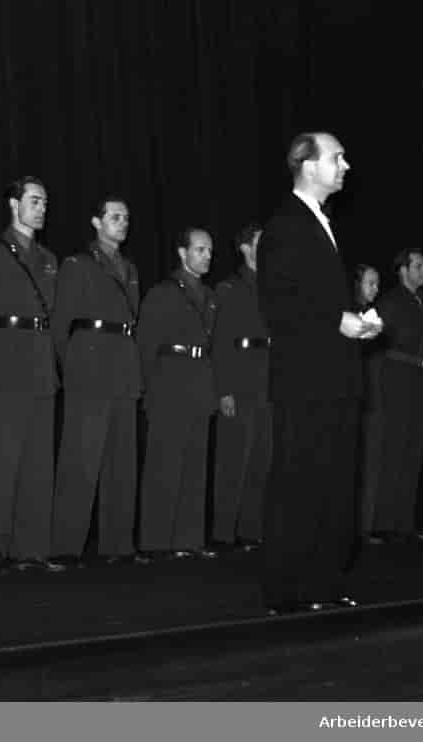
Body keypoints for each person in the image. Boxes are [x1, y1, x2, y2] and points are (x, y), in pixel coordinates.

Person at [257, 131, 379, 615]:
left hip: (331, 377)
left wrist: (354, 324)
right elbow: (279, 301)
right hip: (306, 380)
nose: (346, 165)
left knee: (330, 481)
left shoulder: (319, 223)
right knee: (301, 479)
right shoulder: (287, 224)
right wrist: (337, 320)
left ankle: (322, 584)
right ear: (308, 166)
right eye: (337, 158)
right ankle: (288, 589)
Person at [0, 176, 65, 575]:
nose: (41, 208)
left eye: (44, 202)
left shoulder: (49, 258)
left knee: (37, 463)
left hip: (40, 363)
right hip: (4, 362)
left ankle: (32, 547)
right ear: (13, 204)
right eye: (34, 200)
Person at [49, 197, 146, 566]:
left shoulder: (130, 267)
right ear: (96, 221)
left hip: (122, 365)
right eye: (115, 217)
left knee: (122, 461)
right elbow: (61, 325)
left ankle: (118, 545)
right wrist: (70, 367)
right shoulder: (78, 265)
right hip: (89, 367)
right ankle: (66, 546)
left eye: (126, 218)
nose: (122, 223)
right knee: (81, 459)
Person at [136, 228, 219, 560]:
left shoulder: (211, 295)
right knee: (164, 466)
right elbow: (145, 347)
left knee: (195, 467)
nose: (207, 256)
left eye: (210, 251)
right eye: (200, 249)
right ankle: (157, 541)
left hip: (200, 383)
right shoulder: (163, 293)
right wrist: (146, 391)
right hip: (169, 384)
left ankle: (189, 540)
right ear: (182, 253)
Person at [210, 223, 272, 553]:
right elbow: (220, 342)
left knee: (262, 459)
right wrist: (224, 390)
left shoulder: (273, 288)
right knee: (234, 460)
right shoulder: (229, 288)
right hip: (240, 378)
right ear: (246, 249)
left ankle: (251, 530)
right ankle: (223, 533)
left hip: (267, 380)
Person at [369, 248, 423, 544]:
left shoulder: (419, 303)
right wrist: (380, 390)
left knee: (412, 451)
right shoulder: (391, 302)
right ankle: (385, 523)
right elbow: (377, 347)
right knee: (393, 451)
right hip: (396, 379)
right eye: (418, 266)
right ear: (403, 270)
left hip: (417, 380)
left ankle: (404, 523)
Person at [352, 264, 388, 544]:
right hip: (353, 398)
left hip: (372, 397)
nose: (375, 288)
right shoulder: (350, 315)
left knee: (368, 462)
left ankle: (363, 527)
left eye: (377, 284)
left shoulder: (375, 316)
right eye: (370, 283)